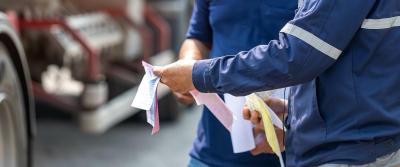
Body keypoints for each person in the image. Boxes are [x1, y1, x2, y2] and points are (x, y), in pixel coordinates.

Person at [153, 0, 400, 167]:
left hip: (344, 150)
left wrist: (200, 75)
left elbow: (300, 56)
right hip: (221, 148)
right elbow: (197, 35)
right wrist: (295, 113)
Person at [170, 0, 297, 166]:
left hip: (292, 154)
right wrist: (189, 65)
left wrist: (294, 128)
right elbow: (198, 37)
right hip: (211, 153)